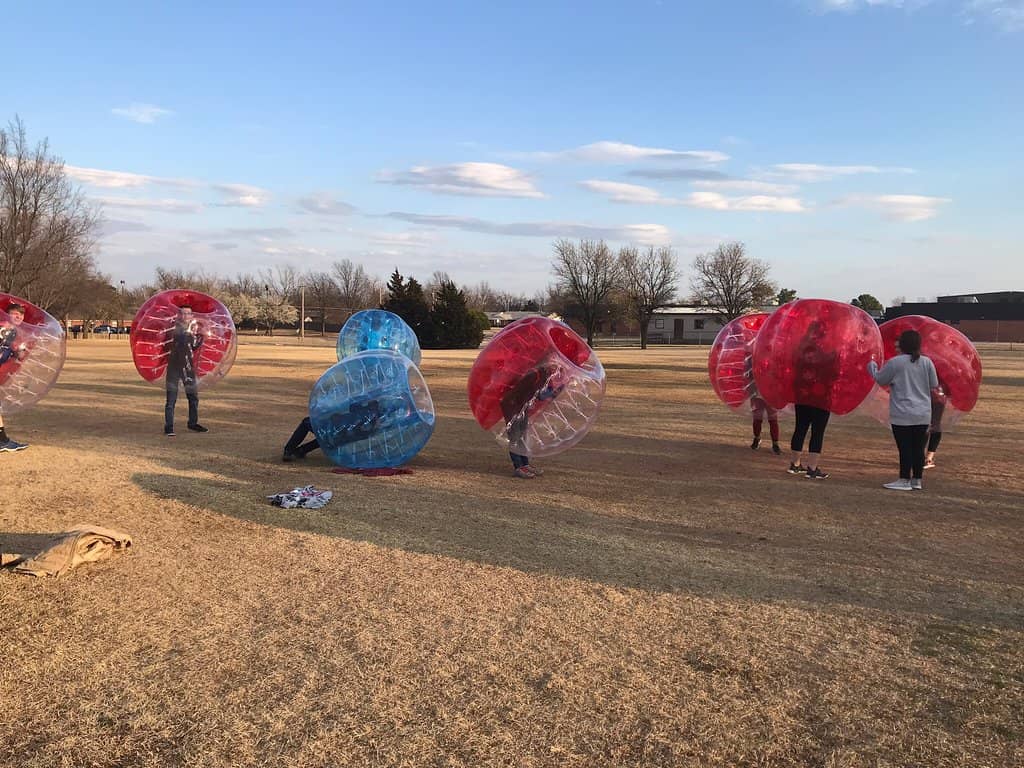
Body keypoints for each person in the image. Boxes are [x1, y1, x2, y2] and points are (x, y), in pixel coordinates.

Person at [868, 329, 939, 491]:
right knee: (918, 447)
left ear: (903, 344)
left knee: (905, 447)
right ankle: (917, 479)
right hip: (922, 413)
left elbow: (880, 379)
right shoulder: (927, 362)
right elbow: (933, 384)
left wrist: (872, 367)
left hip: (902, 413)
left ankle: (904, 479)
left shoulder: (895, 362)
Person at [787, 321, 836, 480]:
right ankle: (812, 468)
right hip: (821, 398)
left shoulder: (801, 352)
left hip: (802, 396)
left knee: (800, 428)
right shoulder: (828, 354)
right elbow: (835, 374)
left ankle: (795, 464)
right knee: (817, 432)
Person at [501, 364, 564, 479]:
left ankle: (525, 464)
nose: (555, 371)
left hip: (521, 406)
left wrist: (553, 392)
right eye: (553, 368)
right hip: (512, 406)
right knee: (515, 438)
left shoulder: (542, 375)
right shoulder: (534, 375)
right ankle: (518, 467)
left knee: (522, 436)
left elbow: (539, 394)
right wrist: (553, 392)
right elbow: (538, 394)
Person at [283, 401, 381, 461]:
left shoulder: (368, 416)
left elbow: (351, 410)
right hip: (340, 435)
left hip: (338, 431)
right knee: (327, 435)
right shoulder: (373, 417)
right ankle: (301, 450)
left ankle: (289, 450)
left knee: (307, 423)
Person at [164, 305, 208, 436]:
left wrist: (200, 336)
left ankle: (193, 423)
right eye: (183, 313)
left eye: (188, 313)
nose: (185, 316)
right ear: (179, 315)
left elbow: (193, 346)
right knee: (171, 400)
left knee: (193, 397)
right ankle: (169, 427)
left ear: (191, 316)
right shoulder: (174, 329)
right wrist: (190, 332)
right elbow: (180, 340)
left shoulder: (192, 330)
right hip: (174, 368)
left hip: (188, 368)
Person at [0, 303, 30, 452]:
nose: (19, 316)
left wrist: (18, 353)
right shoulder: (2, 328)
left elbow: (6, 353)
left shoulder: (12, 334)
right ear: (7, 315)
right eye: (14, 313)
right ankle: (2, 441)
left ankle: (2, 440)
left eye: (21, 314)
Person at [744, 355, 781, 454]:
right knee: (757, 419)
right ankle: (757, 438)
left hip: (770, 396)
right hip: (757, 395)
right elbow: (747, 376)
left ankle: (775, 443)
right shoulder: (751, 359)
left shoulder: (773, 359)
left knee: (773, 420)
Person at [924, 382, 948, 470]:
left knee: (927, 425)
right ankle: (928, 458)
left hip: (931, 393)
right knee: (933, 425)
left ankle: (926, 458)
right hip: (938, 393)